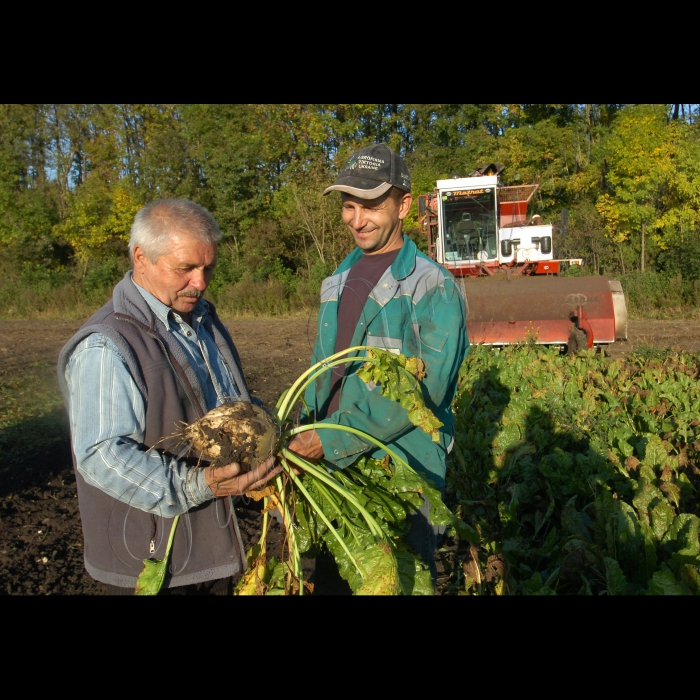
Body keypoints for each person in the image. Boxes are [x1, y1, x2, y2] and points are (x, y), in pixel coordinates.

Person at [57, 198, 280, 595]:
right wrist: (200, 485)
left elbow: (231, 407)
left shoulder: (203, 321)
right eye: (186, 269)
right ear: (141, 257)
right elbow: (101, 454)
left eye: (208, 267)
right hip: (152, 561)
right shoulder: (106, 345)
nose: (201, 282)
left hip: (212, 547)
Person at [288, 143, 469, 590]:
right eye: (349, 206)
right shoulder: (337, 279)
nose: (357, 218)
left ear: (404, 205)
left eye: (370, 204)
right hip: (335, 471)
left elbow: (424, 391)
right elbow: (322, 367)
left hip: (401, 473)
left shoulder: (433, 287)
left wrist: (328, 438)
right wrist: (301, 429)